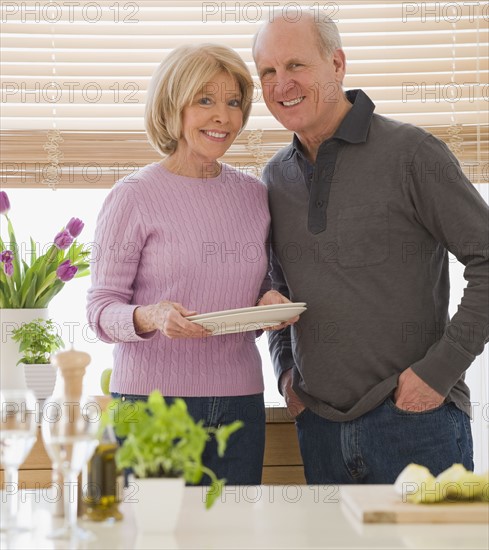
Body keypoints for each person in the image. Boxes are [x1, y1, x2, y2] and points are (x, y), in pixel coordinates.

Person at [252, 11, 489, 484]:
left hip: (415, 423)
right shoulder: (274, 176)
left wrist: (436, 374)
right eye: (268, 72)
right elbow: (278, 288)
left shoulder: (412, 153)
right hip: (318, 427)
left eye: (296, 65)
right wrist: (285, 376)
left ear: (337, 64)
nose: (282, 84)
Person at [87, 43, 294, 485]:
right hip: (150, 403)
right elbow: (100, 311)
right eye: (205, 100)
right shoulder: (133, 196)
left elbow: (253, 295)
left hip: (239, 402)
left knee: (232, 534)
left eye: (233, 102)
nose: (223, 116)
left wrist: (269, 303)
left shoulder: (254, 196)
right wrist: (151, 315)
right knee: (153, 536)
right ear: (172, 106)